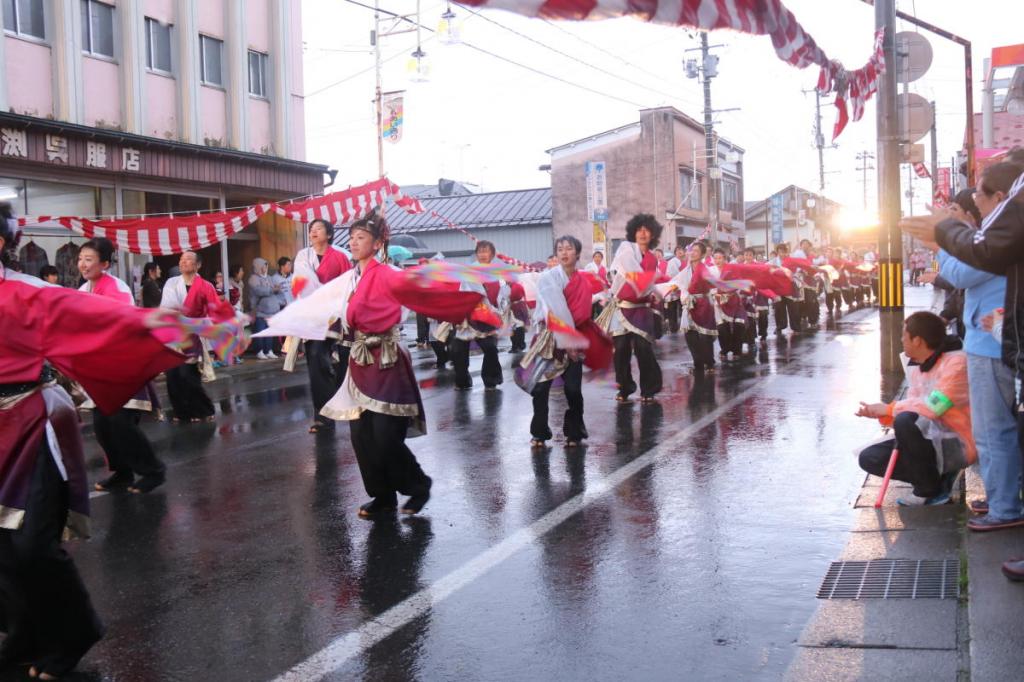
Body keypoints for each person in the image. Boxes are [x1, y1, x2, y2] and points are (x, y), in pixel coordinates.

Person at [0, 218, 183, 679]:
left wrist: (196, 328)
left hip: (28, 420)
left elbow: (109, 319)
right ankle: (26, 632)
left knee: (31, 544)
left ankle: (75, 630)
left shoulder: (28, 291)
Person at [270, 213, 483, 517]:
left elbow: (423, 293)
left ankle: (418, 484)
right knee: (361, 435)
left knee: (385, 435)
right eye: (352, 237)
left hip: (385, 359)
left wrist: (463, 304)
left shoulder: (389, 274)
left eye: (361, 238)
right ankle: (383, 497)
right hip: (358, 360)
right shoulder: (348, 279)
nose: (354, 243)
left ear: (378, 243)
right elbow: (323, 306)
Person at [900, 151, 1024, 579]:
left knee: (994, 431)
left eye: (974, 202)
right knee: (995, 431)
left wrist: (940, 241)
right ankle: (1002, 498)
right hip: (991, 339)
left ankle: (1006, 505)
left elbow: (961, 274)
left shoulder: (993, 239)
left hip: (993, 343)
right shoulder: (992, 234)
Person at [77, 238, 168, 494]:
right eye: (81, 258)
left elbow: (120, 325)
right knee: (102, 426)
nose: (82, 264)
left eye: (89, 259)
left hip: (123, 365)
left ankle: (153, 470)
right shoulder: (84, 289)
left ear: (104, 263)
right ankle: (122, 472)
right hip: (99, 369)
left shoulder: (117, 288)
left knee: (121, 423)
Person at [856, 312, 975, 505]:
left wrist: (889, 409)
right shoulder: (918, 365)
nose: (902, 339)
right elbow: (912, 410)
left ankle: (929, 490)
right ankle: (935, 479)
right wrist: (882, 413)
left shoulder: (957, 363)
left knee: (905, 419)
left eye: (904, 335)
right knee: (870, 458)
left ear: (917, 340)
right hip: (930, 438)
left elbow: (935, 406)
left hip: (957, 441)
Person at [523, 235, 611, 448]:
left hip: (575, 337)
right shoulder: (547, 278)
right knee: (541, 389)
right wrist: (569, 340)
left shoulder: (583, 280)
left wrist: (577, 339)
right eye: (560, 249)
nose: (563, 252)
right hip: (549, 338)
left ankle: (574, 431)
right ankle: (539, 432)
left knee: (572, 389)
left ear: (577, 253)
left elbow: (584, 311)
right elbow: (557, 310)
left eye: (568, 249)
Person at [293, 218, 352, 434]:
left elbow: (348, 283)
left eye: (318, 229)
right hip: (314, 315)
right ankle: (323, 415)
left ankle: (344, 402)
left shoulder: (341, 256)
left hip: (338, 314)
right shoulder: (303, 255)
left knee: (342, 362)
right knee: (316, 359)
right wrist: (324, 294)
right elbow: (303, 281)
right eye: (311, 229)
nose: (313, 232)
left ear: (329, 234)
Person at [597, 214, 663, 402]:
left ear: (653, 235)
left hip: (641, 309)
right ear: (633, 233)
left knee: (644, 349)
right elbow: (618, 280)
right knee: (620, 350)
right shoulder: (625, 252)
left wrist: (657, 292)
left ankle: (649, 389)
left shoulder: (652, 259)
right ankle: (625, 387)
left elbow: (646, 284)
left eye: (646, 230)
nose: (642, 233)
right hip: (622, 307)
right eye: (639, 229)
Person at [159, 250, 221, 422]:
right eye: (181, 259)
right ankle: (181, 412)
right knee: (173, 376)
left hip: (194, 334)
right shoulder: (171, 283)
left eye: (187, 259)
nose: (183, 262)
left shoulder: (206, 286)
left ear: (197, 265)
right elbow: (167, 306)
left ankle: (204, 410)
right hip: (173, 333)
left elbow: (214, 310)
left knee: (188, 375)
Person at [444, 240, 506, 391]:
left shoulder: (498, 275)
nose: (482, 254)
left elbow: (503, 297)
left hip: (487, 318)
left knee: (490, 348)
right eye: (480, 251)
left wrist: (498, 312)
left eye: (486, 251)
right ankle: (462, 381)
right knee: (458, 350)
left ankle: (491, 380)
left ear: (492, 254)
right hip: (467, 318)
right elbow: (461, 292)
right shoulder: (468, 272)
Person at [248, 257, 284, 360]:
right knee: (260, 331)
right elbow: (259, 291)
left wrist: (276, 289)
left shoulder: (269, 277)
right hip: (260, 311)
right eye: (264, 265)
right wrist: (272, 289)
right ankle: (259, 351)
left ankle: (268, 350)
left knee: (269, 332)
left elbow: (275, 289)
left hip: (271, 311)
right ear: (258, 267)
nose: (266, 267)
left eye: (266, 265)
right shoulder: (253, 278)